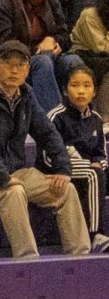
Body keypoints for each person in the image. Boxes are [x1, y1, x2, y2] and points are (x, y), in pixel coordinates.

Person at [0, 39, 91, 257]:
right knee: (14, 192)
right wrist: (2, 176)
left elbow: (48, 133)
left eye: (20, 65)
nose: (14, 70)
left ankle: (80, 259)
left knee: (65, 189)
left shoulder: (26, 95)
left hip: (14, 171)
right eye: (8, 64)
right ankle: (27, 261)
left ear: (28, 70)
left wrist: (64, 169)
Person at [40, 65, 109, 247]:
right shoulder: (55, 116)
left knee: (98, 171)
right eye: (75, 85)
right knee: (94, 174)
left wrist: (98, 163)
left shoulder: (96, 118)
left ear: (94, 92)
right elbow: (47, 157)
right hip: (54, 171)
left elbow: (101, 154)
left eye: (87, 86)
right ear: (65, 90)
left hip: (85, 169)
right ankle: (95, 234)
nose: (81, 91)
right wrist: (88, 166)